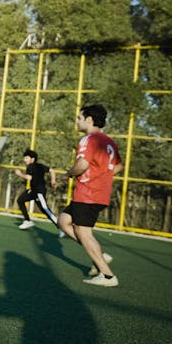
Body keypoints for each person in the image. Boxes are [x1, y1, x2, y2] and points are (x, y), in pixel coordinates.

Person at [55, 104, 122, 287]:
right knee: (63, 221)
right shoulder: (110, 142)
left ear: (89, 119)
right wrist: (101, 175)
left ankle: (107, 275)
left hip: (88, 193)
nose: (76, 121)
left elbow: (82, 165)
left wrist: (67, 174)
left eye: (79, 118)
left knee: (83, 232)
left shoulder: (89, 139)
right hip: (98, 193)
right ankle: (99, 256)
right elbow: (118, 166)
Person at [13, 148, 58, 230]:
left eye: (26, 158)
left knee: (45, 209)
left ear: (32, 159)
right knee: (20, 200)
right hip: (33, 190)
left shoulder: (31, 166)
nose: (24, 160)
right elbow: (52, 170)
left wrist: (20, 174)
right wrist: (53, 180)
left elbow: (29, 177)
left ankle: (61, 227)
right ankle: (27, 221)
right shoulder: (40, 166)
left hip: (38, 192)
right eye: (24, 158)